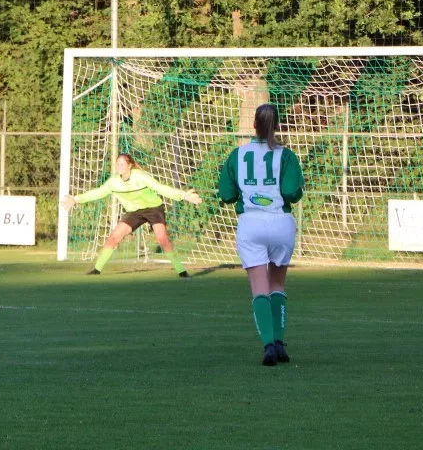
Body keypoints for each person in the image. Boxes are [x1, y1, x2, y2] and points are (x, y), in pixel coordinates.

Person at [218, 103, 304, 367]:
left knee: (259, 288)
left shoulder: (238, 154)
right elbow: (292, 192)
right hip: (280, 222)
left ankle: (268, 346)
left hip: (251, 223)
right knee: (277, 284)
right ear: (277, 125)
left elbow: (226, 194)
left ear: (254, 125)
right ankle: (279, 343)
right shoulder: (286, 155)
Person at [61, 152, 202, 277]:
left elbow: (161, 188)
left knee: (163, 240)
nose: (119, 166)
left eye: (122, 163)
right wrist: (75, 199)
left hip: (153, 209)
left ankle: (181, 271)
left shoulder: (140, 177)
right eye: (117, 163)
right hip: (134, 212)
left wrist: (184, 195)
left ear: (130, 165)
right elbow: (97, 193)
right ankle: (96, 270)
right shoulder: (113, 182)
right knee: (114, 237)